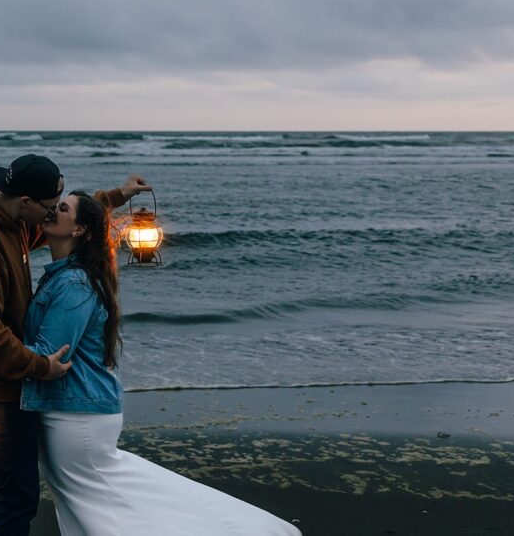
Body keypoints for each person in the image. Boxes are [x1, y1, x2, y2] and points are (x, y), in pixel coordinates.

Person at [20, 190, 303, 536]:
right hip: (76, 410)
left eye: (62, 208)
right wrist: (118, 194)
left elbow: (50, 351)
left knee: (101, 513)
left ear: (78, 230)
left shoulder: (74, 283)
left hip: (74, 415)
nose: (51, 211)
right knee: (95, 507)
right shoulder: (65, 275)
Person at [0, 154, 151, 536]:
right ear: (26, 202)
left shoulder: (12, 224)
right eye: (50, 207)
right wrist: (39, 366)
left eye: (59, 207)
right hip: (1, 391)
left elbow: (75, 226)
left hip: (3, 378)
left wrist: (116, 196)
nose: (52, 214)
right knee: (16, 497)